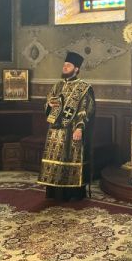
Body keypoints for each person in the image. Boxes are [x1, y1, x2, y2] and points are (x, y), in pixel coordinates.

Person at [38, 51, 95, 201]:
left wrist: (79, 128)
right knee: (55, 160)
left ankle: (72, 195)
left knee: (70, 159)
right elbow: (48, 103)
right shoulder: (57, 86)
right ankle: (54, 193)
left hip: (71, 130)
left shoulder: (84, 87)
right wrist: (49, 104)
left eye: (68, 65)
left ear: (76, 69)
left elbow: (86, 109)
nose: (64, 67)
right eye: (64, 65)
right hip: (54, 131)